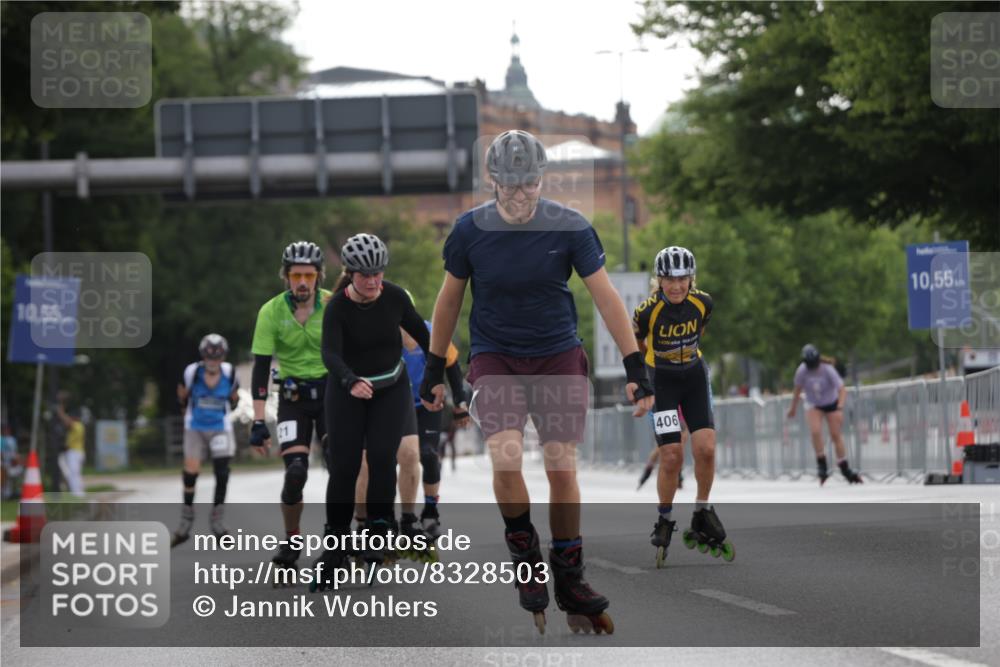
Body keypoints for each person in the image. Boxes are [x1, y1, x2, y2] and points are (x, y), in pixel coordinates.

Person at [420, 130, 654, 634]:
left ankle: (570, 577)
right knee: (505, 455)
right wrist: (435, 369)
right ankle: (526, 560)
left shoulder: (569, 227)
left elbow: (607, 297)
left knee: (560, 464)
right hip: (496, 356)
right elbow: (448, 301)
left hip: (557, 355)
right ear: (492, 182)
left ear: (542, 180)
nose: (520, 196)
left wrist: (637, 366)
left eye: (529, 185)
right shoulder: (468, 231)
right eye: (510, 187)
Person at [313, 233, 432, 587]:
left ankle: (379, 534)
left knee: (383, 459)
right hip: (347, 390)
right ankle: (335, 546)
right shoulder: (337, 306)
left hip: (390, 388)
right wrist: (350, 380)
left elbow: (428, 338)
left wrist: (444, 376)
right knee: (345, 468)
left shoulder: (394, 297)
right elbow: (330, 354)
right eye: (365, 275)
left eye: (378, 273)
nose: (373, 280)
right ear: (350, 273)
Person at [634, 246, 733, 567]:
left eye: (682, 279)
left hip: (692, 376)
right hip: (660, 380)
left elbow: (699, 334)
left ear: (692, 279)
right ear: (658, 281)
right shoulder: (646, 311)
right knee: (672, 455)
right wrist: (640, 384)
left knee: (705, 448)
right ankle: (664, 517)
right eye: (668, 280)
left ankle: (702, 510)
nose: (676, 286)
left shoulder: (703, 303)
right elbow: (637, 346)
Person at [351, 315, 469, 560]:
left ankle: (428, 511)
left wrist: (460, 403)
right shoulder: (382, 332)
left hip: (425, 404)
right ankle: (372, 524)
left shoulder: (429, 331)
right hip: (390, 403)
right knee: (374, 463)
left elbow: (452, 367)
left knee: (425, 454)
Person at [250, 241, 331, 572]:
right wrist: (257, 421)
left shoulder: (334, 305)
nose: (302, 282)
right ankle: (292, 540)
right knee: (295, 471)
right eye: (295, 274)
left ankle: (344, 536)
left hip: (331, 395)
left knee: (342, 467)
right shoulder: (270, 311)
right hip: (293, 398)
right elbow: (260, 367)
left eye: (308, 275)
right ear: (285, 276)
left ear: (318, 277)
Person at [171, 334, 240, 547]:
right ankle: (186, 519)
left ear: (223, 357)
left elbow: (234, 400)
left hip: (220, 427)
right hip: (196, 426)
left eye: (217, 358)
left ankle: (217, 521)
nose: (213, 362)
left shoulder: (230, 373)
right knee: (191, 472)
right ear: (203, 357)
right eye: (209, 358)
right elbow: (181, 395)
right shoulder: (192, 372)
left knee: (222, 472)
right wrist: (186, 415)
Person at [787, 344, 862, 485]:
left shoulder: (827, 369)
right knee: (815, 431)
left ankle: (844, 467)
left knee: (835, 435)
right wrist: (793, 408)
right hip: (813, 403)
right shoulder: (802, 371)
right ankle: (821, 463)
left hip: (831, 402)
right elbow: (797, 390)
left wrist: (839, 408)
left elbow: (842, 390)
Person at [54, 394, 85, 497]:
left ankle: (77, 494)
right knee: (73, 473)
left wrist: (60, 406)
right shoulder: (80, 425)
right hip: (75, 452)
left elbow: (65, 419)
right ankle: (78, 492)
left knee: (73, 474)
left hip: (74, 452)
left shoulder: (77, 425)